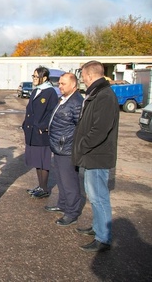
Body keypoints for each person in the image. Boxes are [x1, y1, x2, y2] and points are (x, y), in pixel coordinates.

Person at [73, 60, 119, 252]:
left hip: (97, 156)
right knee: (93, 195)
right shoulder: (97, 94)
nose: (82, 79)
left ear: (90, 75)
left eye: (83, 75)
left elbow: (99, 130)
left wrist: (82, 145)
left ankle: (103, 238)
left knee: (99, 197)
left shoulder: (105, 96)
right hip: (92, 155)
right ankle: (97, 228)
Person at [46, 73, 83, 226]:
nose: (60, 86)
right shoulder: (65, 99)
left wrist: (69, 143)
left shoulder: (76, 102)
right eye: (59, 83)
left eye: (63, 84)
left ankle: (72, 212)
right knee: (60, 179)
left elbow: (80, 127)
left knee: (69, 182)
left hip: (67, 148)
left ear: (74, 85)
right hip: (59, 147)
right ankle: (62, 204)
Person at [22, 66, 59, 199]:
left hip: (41, 133)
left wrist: (43, 127)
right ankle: (40, 186)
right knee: (37, 161)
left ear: (44, 78)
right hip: (32, 131)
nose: (34, 79)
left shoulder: (50, 92)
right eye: (33, 76)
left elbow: (53, 112)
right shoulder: (36, 90)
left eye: (36, 77)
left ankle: (44, 188)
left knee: (43, 161)